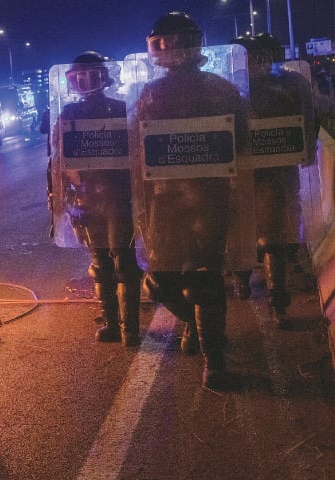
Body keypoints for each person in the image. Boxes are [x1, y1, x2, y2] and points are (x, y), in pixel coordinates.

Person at [131, 12, 249, 389]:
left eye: (179, 41)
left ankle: (215, 362)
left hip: (209, 197)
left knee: (205, 279)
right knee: (160, 281)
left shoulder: (220, 88)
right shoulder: (150, 93)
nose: (173, 50)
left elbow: (240, 137)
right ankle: (197, 324)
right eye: (165, 43)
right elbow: (136, 145)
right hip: (164, 202)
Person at [52, 52, 142, 346]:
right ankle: (119, 326)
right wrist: (59, 196)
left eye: (92, 75)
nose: (87, 82)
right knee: (104, 261)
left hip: (114, 195)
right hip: (91, 197)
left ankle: (127, 329)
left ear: (104, 78)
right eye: (81, 77)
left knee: (119, 259)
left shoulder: (119, 109)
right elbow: (59, 159)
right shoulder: (69, 114)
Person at [229, 35, 317, 329]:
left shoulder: (288, 85)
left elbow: (308, 119)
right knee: (246, 235)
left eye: (260, 56)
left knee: (273, 239)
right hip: (244, 173)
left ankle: (277, 302)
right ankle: (251, 286)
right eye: (251, 57)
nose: (256, 62)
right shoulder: (228, 89)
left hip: (273, 173)